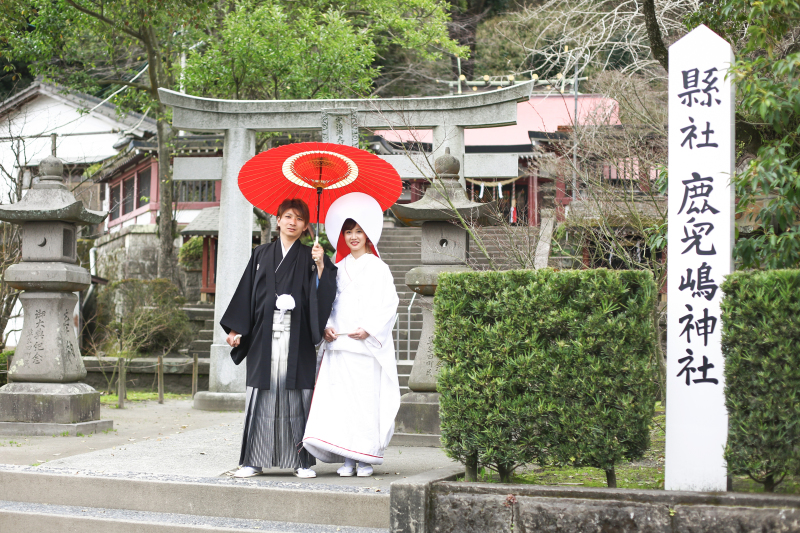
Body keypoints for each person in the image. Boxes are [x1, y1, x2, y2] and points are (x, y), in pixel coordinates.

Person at [221, 198, 337, 479]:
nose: (292, 222)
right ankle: (253, 461)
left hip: (297, 335)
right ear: (278, 220)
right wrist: (235, 329)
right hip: (263, 334)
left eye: (299, 218)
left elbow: (324, 293)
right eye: (287, 216)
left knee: (296, 396)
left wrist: (321, 266)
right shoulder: (261, 254)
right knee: (261, 395)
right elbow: (247, 293)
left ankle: (301, 462)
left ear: (306, 225)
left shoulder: (311, 256)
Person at [302, 192, 401, 477]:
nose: (354, 237)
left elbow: (389, 304)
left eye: (358, 231)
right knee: (342, 404)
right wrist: (327, 325)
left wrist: (369, 328)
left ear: (368, 234)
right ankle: (347, 458)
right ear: (342, 236)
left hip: (365, 346)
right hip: (340, 344)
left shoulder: (379, 268)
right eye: (348, 232)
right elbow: (328, 301)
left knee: (365, 403)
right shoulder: (337, 268)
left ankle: (365, 458)